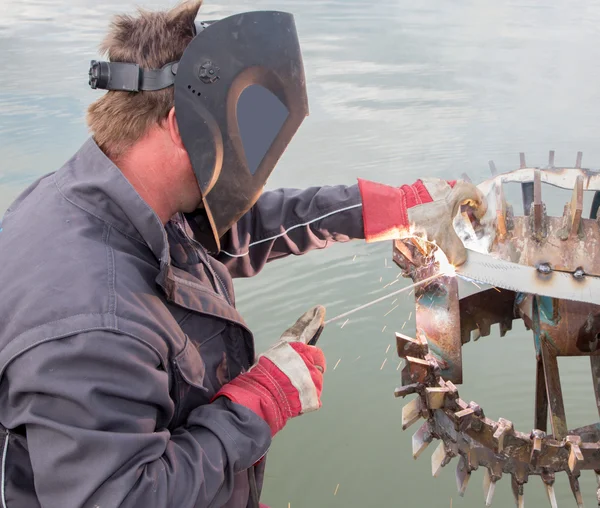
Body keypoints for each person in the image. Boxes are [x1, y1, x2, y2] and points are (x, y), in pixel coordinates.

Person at [0, 2, 485, 507]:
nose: (243, 154)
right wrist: (255, 405)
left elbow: (230, 228)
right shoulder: (92, 321)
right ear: (179, 124)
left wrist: (386, 209)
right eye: (236, 129)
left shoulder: (111, 191)